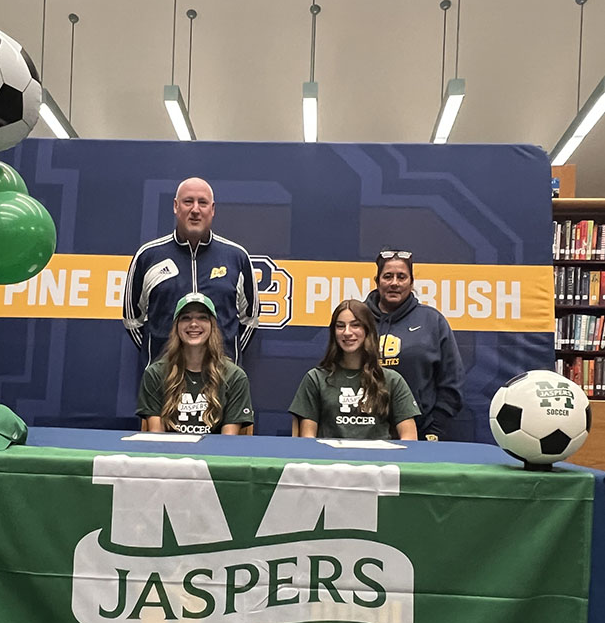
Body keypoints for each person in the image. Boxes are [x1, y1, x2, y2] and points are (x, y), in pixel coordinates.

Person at [123, 177, 259, 366]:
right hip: (165, 382)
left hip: (220, 380)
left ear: (212, 209)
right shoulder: (148, 257)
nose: (195, 210)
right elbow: (132, 319)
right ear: (176, 206)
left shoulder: (236, 257)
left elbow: (250, 319)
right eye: (188, 201)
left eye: (202, 203)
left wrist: (227, 359)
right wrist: (157, 360)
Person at [364, 249, 464, 441]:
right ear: (377, 281)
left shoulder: (432, 321)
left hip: (419, 433)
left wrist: (433, 430)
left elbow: (452, 382)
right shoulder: (357, 319)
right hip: (363, 432)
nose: (394, 283)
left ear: (411, 282)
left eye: (401, 277)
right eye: (388, 276)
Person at [289, 299, 419, 440]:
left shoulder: (392, 380)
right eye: (340, 326)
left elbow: (409, 438)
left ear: (367, 330)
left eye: (355, 325)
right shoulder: (315, 378)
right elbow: (307, 438)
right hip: (329, 460)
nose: (347, 332)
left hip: (379, 461)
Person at [137, 292, 254, 435]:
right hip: (170, 455)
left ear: (212, 326)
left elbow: (227, 443)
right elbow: (157, 438)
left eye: (202, 318)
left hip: (214, 456)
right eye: (186, 318)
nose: (193, 324)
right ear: (176, 327)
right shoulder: (155, 374)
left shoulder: (234, 377)